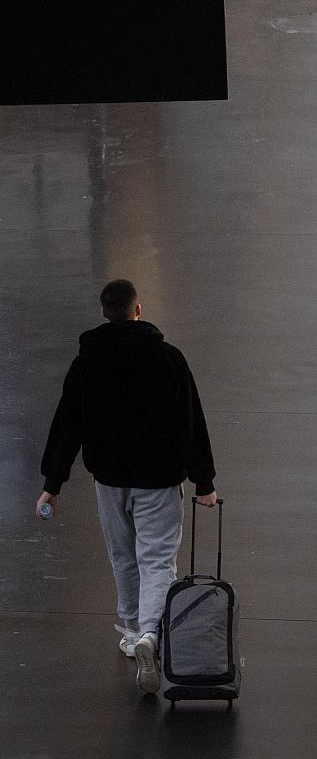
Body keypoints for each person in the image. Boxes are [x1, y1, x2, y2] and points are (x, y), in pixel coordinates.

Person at [36, 279, 220, 695]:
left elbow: (67, 425)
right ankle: (150, 635)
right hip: (158, 480)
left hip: (110, 478)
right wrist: (204, 481)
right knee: (157, 559)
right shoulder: (168, 359)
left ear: (104, 313)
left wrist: (52, 484)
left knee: (123, 556)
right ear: (138, 310)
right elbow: (189, 422)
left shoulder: (86, 363)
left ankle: (133, 629)